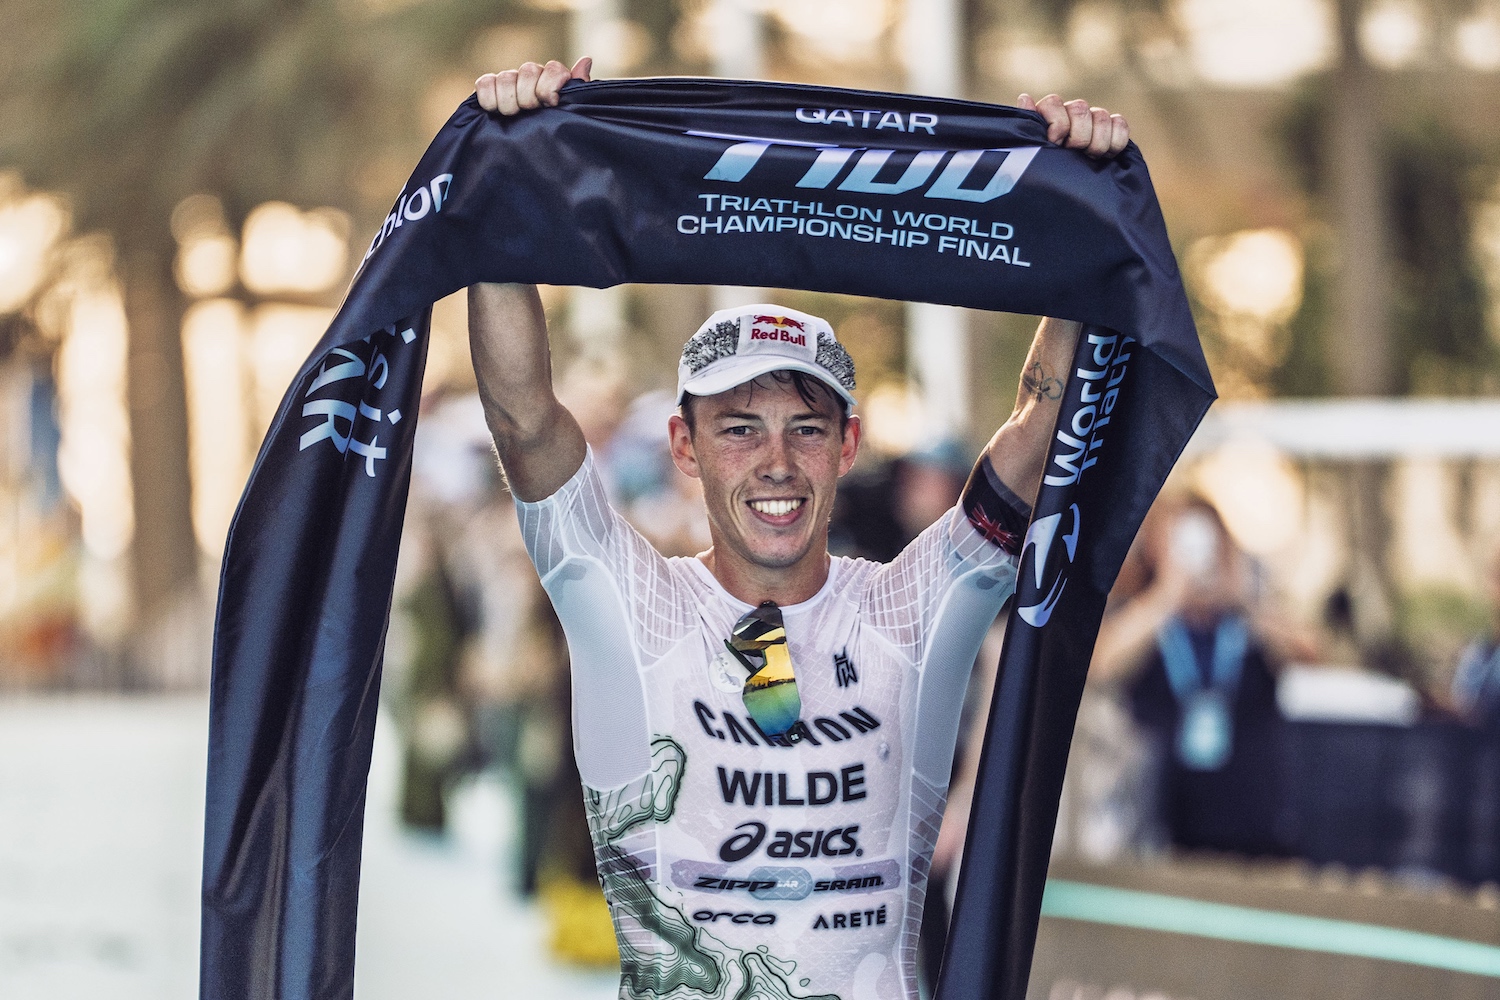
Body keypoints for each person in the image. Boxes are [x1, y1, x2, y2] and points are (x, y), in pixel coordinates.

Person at [468, 57, 1129, 999]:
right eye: (739, 429)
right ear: (685, 448)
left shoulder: (908, 610)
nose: (776, 462)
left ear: (848, 445)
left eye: (805, 429)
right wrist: (500, 191)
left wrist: (1081, 204)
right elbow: (526, 418)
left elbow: (1040, 424)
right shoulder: (631, 608)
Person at [1089, 497, 1286, 856]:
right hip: (1160, 823)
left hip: (1250, 821)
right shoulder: (1144, 617)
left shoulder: (1246, 618)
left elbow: (1309, 654)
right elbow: (1103, 665)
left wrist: (1242, 600)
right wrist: (1167, 596)